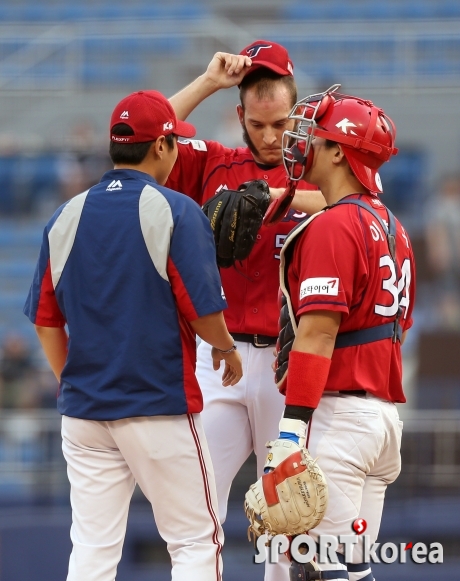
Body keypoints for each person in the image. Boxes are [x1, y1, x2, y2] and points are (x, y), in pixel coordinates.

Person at [23, 89, 243, 581]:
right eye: (175, 143)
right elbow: (204, 310)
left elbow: (44, 319)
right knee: (192, 542)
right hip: (157, 402)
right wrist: (227, 349)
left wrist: (70, 379)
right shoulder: (177, 209)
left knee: (93, 550)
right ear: (161, 146)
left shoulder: (65, 214)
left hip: (84, 412)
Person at [167, 39, 326, 580]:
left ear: (298, 117)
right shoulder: (213, 162)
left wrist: (272, 195)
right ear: (240, 114)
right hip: (220, 359)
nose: (267, 136)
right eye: (256, 124)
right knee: (193, 493)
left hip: (287, 367)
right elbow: (148, 136)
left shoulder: (318, 171)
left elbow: (345, 202)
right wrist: (209, 80)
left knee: (286, 518)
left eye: (279, 124)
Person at [266, 86, 416, 580]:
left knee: (325, 574)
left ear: (339, 151)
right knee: (339, 571)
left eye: (316, 134)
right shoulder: (394, 226)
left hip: (340, 420)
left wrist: (290, 433)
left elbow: (318, 336)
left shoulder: (334, 225)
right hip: (382, 421)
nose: (300, 141)